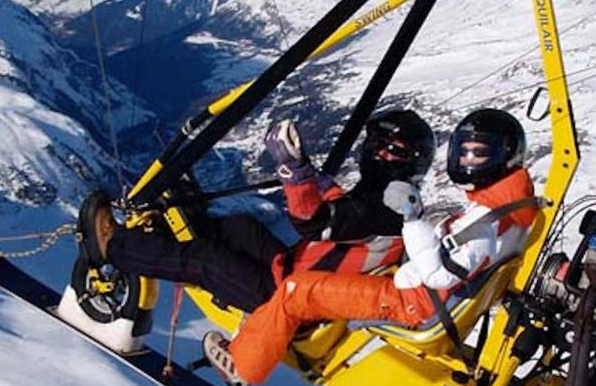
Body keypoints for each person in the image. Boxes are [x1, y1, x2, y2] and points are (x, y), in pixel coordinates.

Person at [203, 108, 537, 386]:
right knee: (296, 278)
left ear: (505, 157)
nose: (468, 160)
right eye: (464, 151)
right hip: (416, 294)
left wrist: (413, 219)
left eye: (479, 153)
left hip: (411, 302)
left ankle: (243, 367)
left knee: (296, 290)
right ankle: (257, 331)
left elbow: (438, 273)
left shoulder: (486, 222)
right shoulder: (508, 210)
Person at [77, 109, 435, 313]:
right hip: (293, 275)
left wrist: (294, 174)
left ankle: (113, 247)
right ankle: (158, 240)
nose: (381, 154)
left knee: (205, 259)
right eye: (378, 144)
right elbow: (344, 206)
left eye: (395, 151)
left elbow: (316, 222)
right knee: (241, 228)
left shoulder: (394, 205)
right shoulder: (384, 196)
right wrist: (306, 170)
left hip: (291, 305)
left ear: (414, 162)